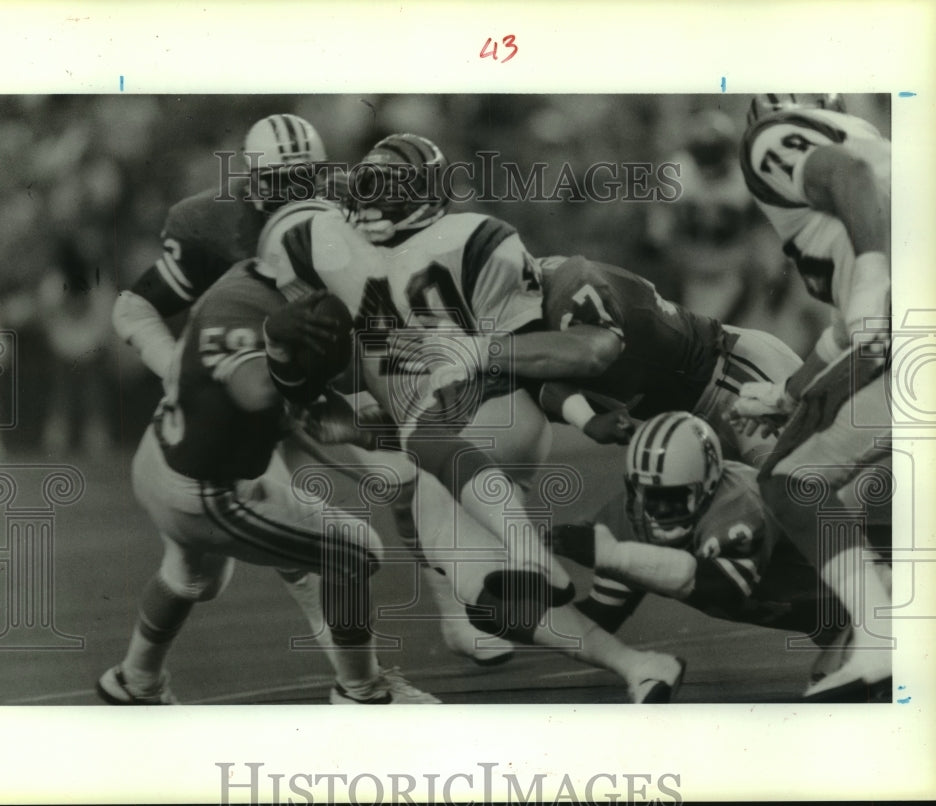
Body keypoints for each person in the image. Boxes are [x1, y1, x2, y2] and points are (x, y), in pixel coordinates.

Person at [256, 141, 688, 701]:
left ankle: (540, 553)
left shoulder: (456, 244)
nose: (375, 204)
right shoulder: (398, 245)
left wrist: (576, 412)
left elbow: (513, 359)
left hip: (482, 411)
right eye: (369, 189)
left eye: (389, 190)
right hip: (471, 427)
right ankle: (638, 665)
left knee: (435, 452)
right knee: (494, 601)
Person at [109, 114, 437, 664]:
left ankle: (453, 614)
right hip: (248, 389)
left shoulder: (339, 207)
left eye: (304, 179)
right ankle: (354, 676)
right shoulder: (212, 220)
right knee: (302, 540)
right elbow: (132, 305)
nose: (293, 194)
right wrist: (174, 367)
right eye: (279, 183)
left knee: (404, 478)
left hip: (313, 378)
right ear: (251, 180)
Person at [97, 259, 438, 704]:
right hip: (203, 494)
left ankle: (134, 681)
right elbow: (260, 391)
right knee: (355, 551)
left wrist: (338, 414)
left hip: (158, 455)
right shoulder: (259, 385)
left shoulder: (237, 289)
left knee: (191, 577)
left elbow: (283, 391)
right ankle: (362, 692)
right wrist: (319, 400)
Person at [729, 94, 892, 699]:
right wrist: (789, 392)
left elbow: (845, 176)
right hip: (898, 328)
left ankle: (879, 638)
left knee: (790, 481)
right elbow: (846, 332)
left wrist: (874, 279)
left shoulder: (770, 139)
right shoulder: (872, 148)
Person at [549, 411, 861, 695]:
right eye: (648, 495)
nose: (658, 511)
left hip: (875, 594)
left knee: (843, 698)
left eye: (672, 497)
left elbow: (725, 587)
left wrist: (615, 556)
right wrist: (529, 609)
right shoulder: (626, 519)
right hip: (828, 617)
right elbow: (600, 619)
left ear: (709, 484)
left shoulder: (739, 501)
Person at [533, 253, 802, 467]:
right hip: (693, 423)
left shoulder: (567, 284)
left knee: (792, 493)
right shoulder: (518, 330)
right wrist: (587, 420)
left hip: (732, 378)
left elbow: (582, 359)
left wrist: (586, 418)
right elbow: (541, 384)